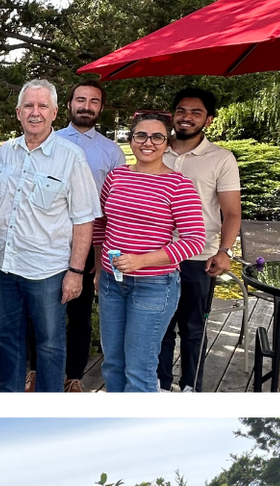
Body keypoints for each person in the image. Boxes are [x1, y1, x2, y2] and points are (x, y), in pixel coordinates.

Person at [0, 79, 100, 396]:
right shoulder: (5, 152)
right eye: (28, 106)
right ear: (18, 113)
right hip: (3, 267)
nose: (35, 112)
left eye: (42, 106)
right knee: (7, 339)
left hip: (48, 270)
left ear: (55, 112)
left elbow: (83, 219)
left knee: (49, 344)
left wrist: (75, 271)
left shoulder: (71, 157)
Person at [92, 114, 206, 395]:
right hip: (111, 283)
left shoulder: (178, 185)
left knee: (140, 368)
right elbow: (100, 224)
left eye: (157, 137)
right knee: (113, 363)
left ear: (166, 143)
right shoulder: (116, 176)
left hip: (154, 286)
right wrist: (98, 268)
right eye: (140, 136)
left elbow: (195, 241)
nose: (148, 143)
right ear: (130, 140)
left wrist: (142, 260)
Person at [159, 87, 242, 395]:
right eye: (182, 111)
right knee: (161, 326)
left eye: (196, 113)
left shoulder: (221, 158)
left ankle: (190, 386)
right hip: (157, 255)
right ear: (172, 115)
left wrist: (225, 251)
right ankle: (162, 386)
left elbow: (232, 213)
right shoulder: (156, 149)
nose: (187, 117)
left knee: (194, 328)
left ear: (208, 119)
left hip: (198, 256)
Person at [54, 79, 124, 394]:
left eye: (93, 101)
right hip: (49, 241)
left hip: (90, 245)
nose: (86, 106)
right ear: (69, 105)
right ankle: (34, 370)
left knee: (80, 315)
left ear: (100, 108)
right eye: (80, 99)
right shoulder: (48, 142)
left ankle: (73, 377)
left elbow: (116, 208)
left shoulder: (112, 152)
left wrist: (101, 256)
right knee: (41, 310)